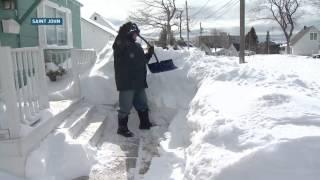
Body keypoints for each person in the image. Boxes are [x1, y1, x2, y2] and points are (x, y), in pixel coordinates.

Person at [112, 22, 154, 137]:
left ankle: (145, 123)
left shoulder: (137, 46)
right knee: (125, 106)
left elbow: (141, 61)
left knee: (142, 104)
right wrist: (123, 33)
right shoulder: (120, 44)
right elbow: (118, 46)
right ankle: (122, 128)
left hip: (139, 82)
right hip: (127, 82)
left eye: (137, 34)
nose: (136, 36)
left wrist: (149, 54)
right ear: (129, 33)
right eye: (135, 34)